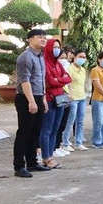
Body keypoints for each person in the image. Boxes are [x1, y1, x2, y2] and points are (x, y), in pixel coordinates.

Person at [13, 29, 49, 177]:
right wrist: (31, 101)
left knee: (35, 132)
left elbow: (41, 80)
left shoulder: (40, 56)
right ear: (30, 39)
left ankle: (32, 163)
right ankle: (19, 166)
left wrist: (44, 99)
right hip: (26, 98)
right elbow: (25, 81)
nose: (43, 39)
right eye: (39, 37)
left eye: (44, 37)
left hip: (38, 97)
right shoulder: (25, 57)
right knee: (24, 132)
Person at [40, 38, 71, 167]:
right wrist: (60, 80)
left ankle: (50, 155)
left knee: (55, 129)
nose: (56, 49)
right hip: (49, 99)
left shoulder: (57, 63)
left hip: (60, 99)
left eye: (58, 47)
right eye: (54, 47)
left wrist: (57, 79)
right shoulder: (44, 63)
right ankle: (45, 157)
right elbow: (50, 82)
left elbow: (68, 78)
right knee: (47, 129)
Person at [61, 49, 88, 151]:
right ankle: (65, 142)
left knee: (80, 121)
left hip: (82, 97)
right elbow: (66, 83)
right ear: (74, 57)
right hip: (72, 98)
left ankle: (78, 142)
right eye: (80, 57)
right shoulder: (69, 69)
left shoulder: (83, 70)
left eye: (84, 57)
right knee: (70, 120)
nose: (82, 59)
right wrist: (69, 94)